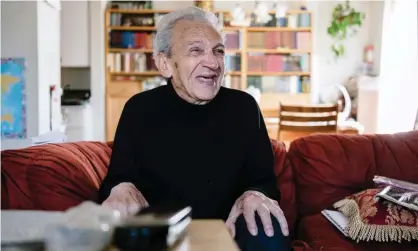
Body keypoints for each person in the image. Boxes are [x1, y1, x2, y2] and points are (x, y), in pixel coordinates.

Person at [99, 6, 290, 251]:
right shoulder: (139, 109)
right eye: (195, 50)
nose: (212, 62)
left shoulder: (244, 107)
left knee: (268, 230)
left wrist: (255, 193)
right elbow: (119, 176)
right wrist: (121, 189)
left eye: (218, 51)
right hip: (163, 230)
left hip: (231, 228)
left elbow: (263, 180)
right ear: (165, 64)